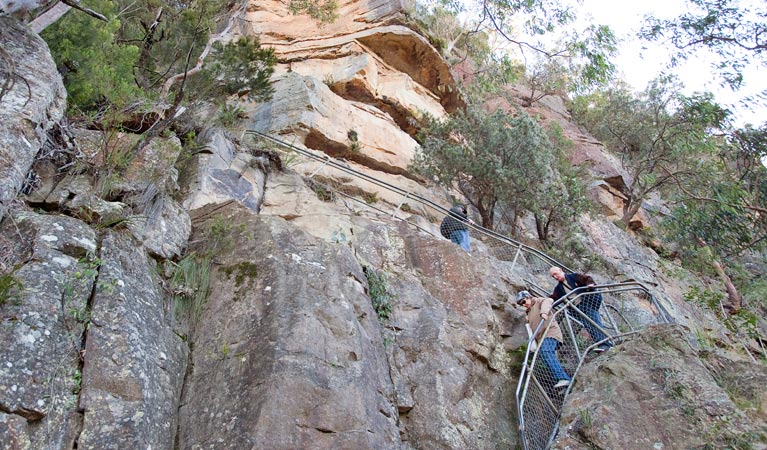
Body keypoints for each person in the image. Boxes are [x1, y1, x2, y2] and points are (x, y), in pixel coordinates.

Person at [548, 266, 612, 352]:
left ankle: (606, 344)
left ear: (560, 270)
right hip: (577, 309)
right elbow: (554, 298)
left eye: (555, 274)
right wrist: (545, 301)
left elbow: (587, 278)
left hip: (587, 302)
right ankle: (601, 343)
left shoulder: (573, 277)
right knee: (588, 326)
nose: (555, 277)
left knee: (594, 322)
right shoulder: (559, 288)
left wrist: (590, 285)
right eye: (553, 276)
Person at [516, 290, 571, 389]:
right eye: (521, 304)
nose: (523, 305)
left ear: (528, 297)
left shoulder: (538, 301)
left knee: (545, 351)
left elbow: (549, 300)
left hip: (550, 333)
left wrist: (544, 312)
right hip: (541, 338)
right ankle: (563, 384)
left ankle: (563, 378)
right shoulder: (528, 313)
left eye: (523, 301)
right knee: (545, 355)